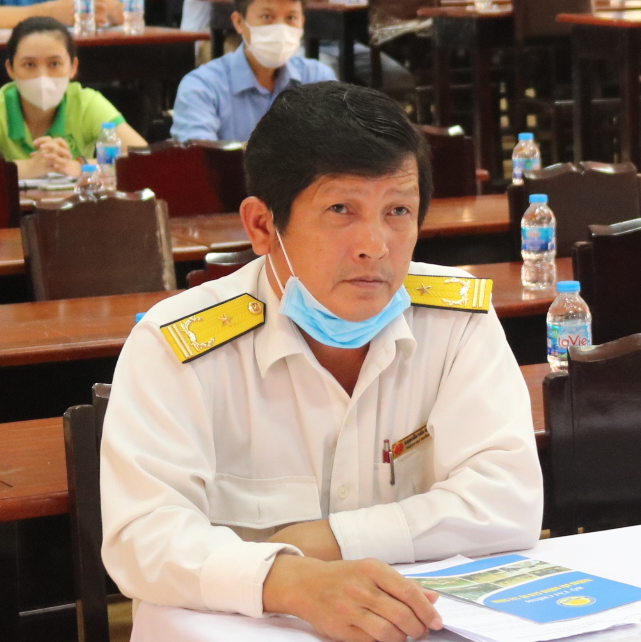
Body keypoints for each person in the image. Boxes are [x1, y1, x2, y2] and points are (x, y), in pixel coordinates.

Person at [100, 81, 541, 636]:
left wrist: (327, 541)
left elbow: (509, 501)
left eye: (398, 210)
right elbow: (142, 537)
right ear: (263, 226)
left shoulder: (457, 322)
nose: (375, 244)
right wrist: (288, 580)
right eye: (340, 209)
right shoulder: (179, 344)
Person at [0, 17, 146, 178]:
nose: (42, 77)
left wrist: (79, 167)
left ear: (73, 67)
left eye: (54, 64)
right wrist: (27, 168)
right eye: (29, 65)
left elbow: (143, 158)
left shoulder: (86, 103)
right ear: (11, 69)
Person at [171, 0, 338, 142]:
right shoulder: (203, 86)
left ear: (302, 21)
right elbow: (199, 154)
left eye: (291, 18)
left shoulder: (318, 78)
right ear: (239, 22)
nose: (280, 28)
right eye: (267, 16)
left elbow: (335, 146)